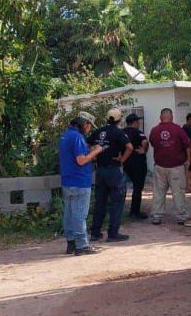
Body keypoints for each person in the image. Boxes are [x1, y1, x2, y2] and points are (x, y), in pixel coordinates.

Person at [59, 112, 104, 255]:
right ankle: (82, 245)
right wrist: (96, 151)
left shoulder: (65, 135)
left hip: (67, 180)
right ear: (85, 124)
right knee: (79, 214)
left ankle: (71, 243)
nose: (89, 129)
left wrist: (88, 151)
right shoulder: (77, 137)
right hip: (79, 181)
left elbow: (75, 156)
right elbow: (81, 160)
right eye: (89, 126)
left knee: (69, 213)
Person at [88, 108, 133, 242]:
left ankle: (95, 233)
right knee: (117, 202)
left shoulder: (98, 131)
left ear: (107, 119)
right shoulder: (118, 132)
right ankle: (113, 234)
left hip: (100, 170)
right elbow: (130, 147)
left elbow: (86, 143)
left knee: (100, 202)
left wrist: (94, 154)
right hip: (114, 170)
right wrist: (122, 159)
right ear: (119, 120)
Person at [148, 108, 191, 225]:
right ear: (171, 117)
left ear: (160, 117)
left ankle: (157, 216)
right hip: (176, 166)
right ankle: (181, 216)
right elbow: (187, 145)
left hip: (159, 166)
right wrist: (188, 159)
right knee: (178, 192)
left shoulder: (154, 130)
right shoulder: (178, 129)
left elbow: (153, 143)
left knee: (158, 191)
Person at [123, 114, 149, 220]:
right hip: (138, 163)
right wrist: (144, 150)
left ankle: (120, 210)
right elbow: (145, 142)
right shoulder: (138, 132)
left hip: (124, 162)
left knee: (121, 187)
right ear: (135, 122)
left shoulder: (122, 132)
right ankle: (135, 212)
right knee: (137, 188)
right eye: (138, 121)